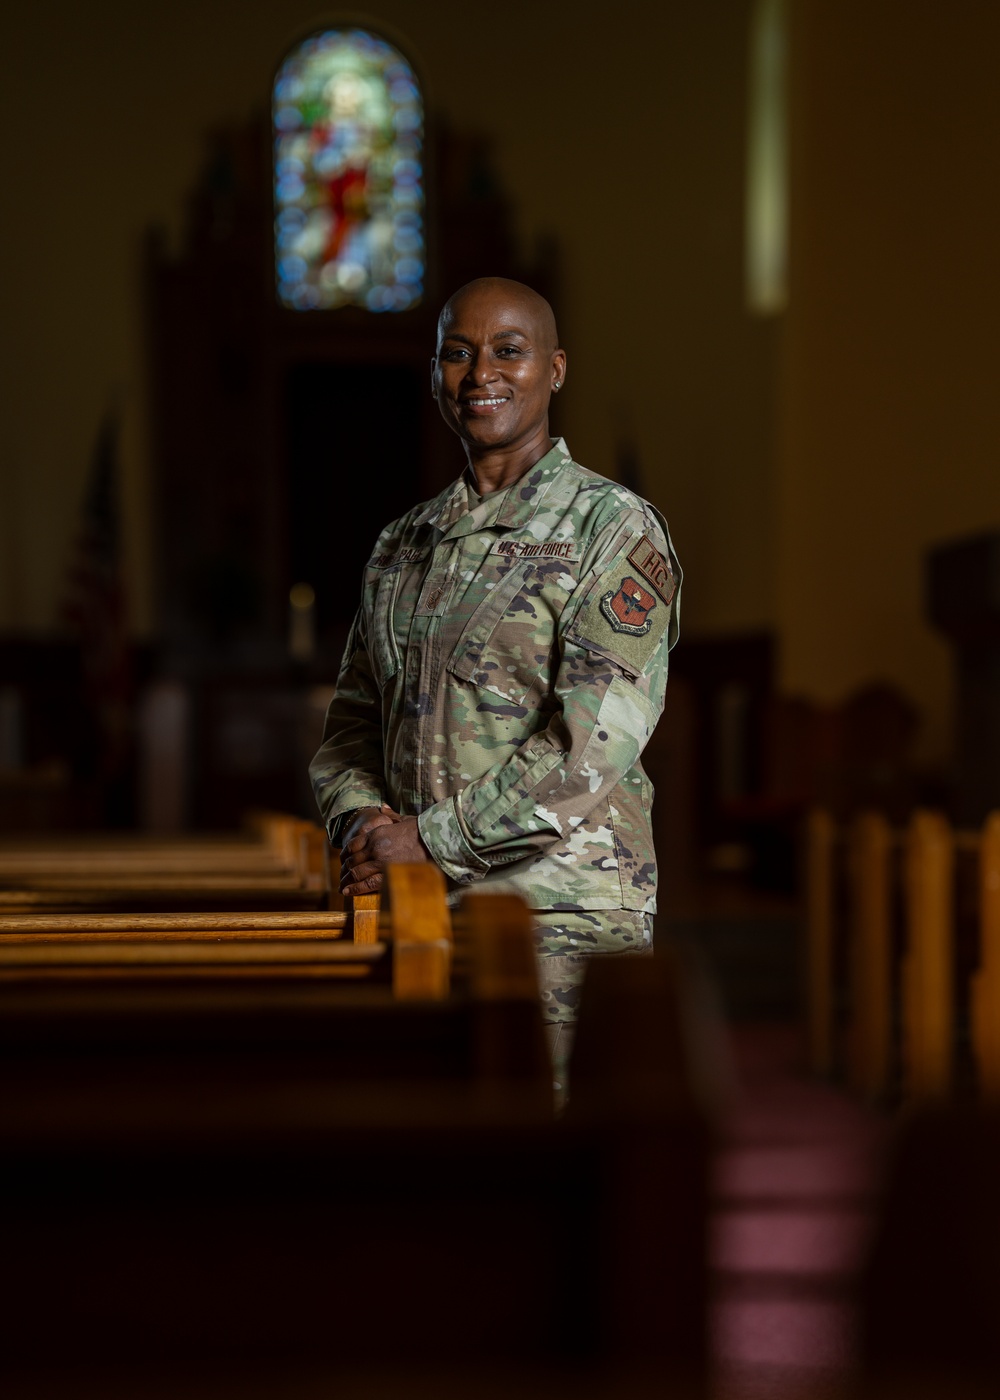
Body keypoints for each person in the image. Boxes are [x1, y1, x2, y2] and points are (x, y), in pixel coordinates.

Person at [309, 276, 681, 1101]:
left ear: (553, 370)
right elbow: (349, 728)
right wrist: (364, 822)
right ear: (436, 373)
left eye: (508, 351)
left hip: (557, 917)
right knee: (441, 1172)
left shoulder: (612, 529)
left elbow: (590, 748)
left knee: (553, 1177)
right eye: (458, 353)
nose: (482, 373)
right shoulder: (403, 544)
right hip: (412, 911)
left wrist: (430, 841)